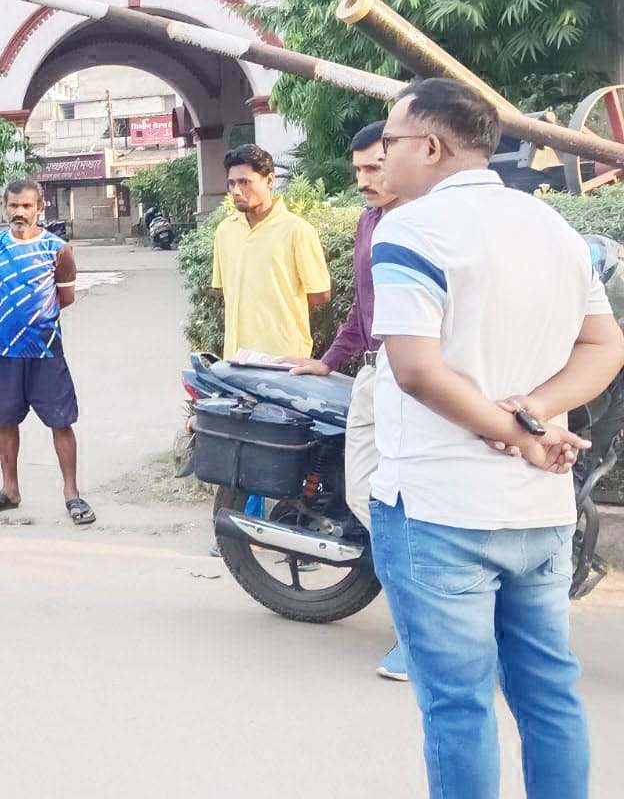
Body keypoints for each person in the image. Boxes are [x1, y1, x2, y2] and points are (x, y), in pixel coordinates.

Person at [369, 78, 624, 799]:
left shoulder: (409, 230)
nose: (383, 157)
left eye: (389, 141)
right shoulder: (552, 228)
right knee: (549, 694)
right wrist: (537, 417)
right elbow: (606, 347)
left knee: (458, 707)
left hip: (438, 507)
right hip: (539, 510)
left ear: (430, 145)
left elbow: (416, 371)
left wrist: (516, 429)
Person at [279, 121, 408, 682]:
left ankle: (417, 637)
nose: (363, 180)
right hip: (375, 375)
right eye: (357, 169)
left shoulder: (425, 224)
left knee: (409, 506)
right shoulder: (369, 221)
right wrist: (329, 361)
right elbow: (364, 307)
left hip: (419, 381)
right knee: (368, 498)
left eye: (375, 167)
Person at [0, 181, 95, 527]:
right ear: (5, 208)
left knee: (61, 421)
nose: (19, 213)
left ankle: (72, 494)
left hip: (46, 351)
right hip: (4, 351)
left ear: (40, 208)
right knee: (5, 420)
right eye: (13, 206)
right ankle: (9, 490)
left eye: (27, 206)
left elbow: (65, 298)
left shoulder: (58, 249)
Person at [210, 143, 332, 359]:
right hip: (235, 357)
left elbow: (320, 295)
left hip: (283, 358)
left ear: (269, 180)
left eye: (245, 182)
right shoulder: (225, 231)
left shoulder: (297, 231)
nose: (236, 191)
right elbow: (222, 290)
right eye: (232, 183)